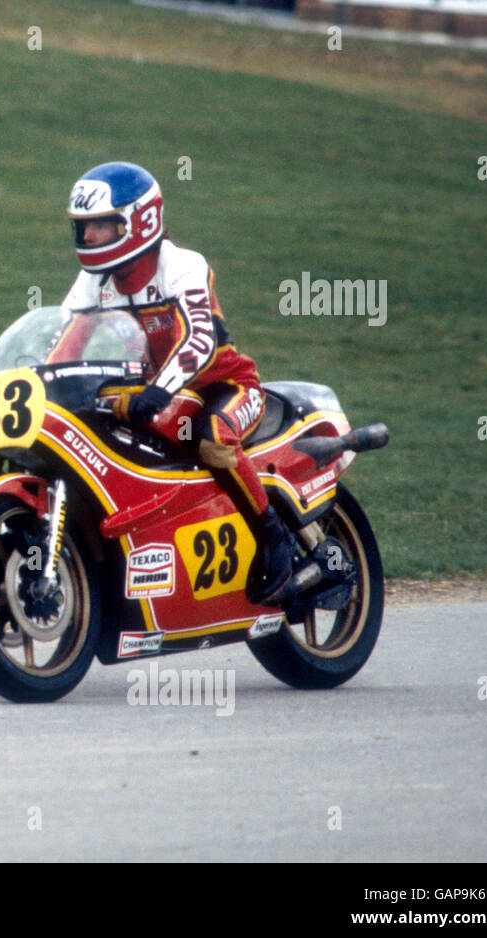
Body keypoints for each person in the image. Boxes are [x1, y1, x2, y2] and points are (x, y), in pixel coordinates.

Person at [51, 161, 294, 605]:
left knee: (213, 439)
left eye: (101, 226)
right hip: (162, 392)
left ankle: (274, 537)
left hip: (227, 386)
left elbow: (200, 338)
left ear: (140, 221)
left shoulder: (182, 264)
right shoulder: (94, 280)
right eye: (82, 228)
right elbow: (65, 343)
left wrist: (158, 392)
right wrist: (48, 384)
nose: (87, 239)